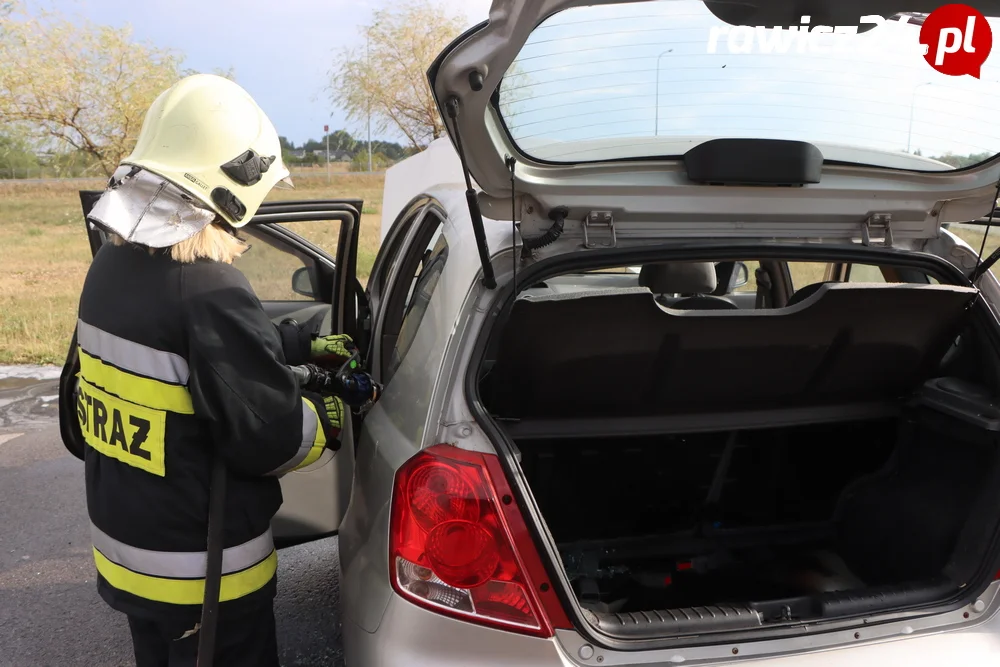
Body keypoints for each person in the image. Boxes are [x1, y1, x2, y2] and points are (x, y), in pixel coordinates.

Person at [71, 73, 373, 666]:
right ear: (232, 186)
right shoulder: (209, 287)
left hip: (130, 551)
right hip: (205, 573)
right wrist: (332, 413)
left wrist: (298, 346)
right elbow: (271, 439)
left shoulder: (110, 267)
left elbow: (187, 355)